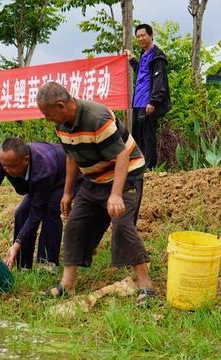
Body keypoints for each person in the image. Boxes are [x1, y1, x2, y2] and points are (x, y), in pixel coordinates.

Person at [36, 81, 155, 307]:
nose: (46, 118)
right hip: (94, 180)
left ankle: (145, 285)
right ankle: (67, 285)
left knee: (122, 224)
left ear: (61, 105)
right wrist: (68, 192)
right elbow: (71, 157)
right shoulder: (62, 125)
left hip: (126, 174)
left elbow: (121, 156)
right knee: (74, 225)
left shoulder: (96, 118)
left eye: (47, 113)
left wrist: (116, 195)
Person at [0, 137, 81, 272]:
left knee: (50, 210)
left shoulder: (42, 170)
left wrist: (17, 244)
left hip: (66, 176)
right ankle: (23, 265)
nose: (7, 170)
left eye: (11, 166)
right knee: (21, 213)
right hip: (43, 180)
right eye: (4, 166)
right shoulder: (7, 161)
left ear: (26, 159)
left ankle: (47, 263)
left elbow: (36, 213)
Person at [124, 23, 171, 170]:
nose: (140, 38)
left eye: (143, 35)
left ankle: (150, 167)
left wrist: (153, 101)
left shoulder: (157, 57)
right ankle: (139, 166)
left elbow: (159, 82)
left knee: (148, 136)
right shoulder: (143, 55)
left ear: (151, 36)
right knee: (137, 136)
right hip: (138, 103)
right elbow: (142, 74)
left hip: (148, 104)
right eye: (138, 36)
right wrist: (131, 59)